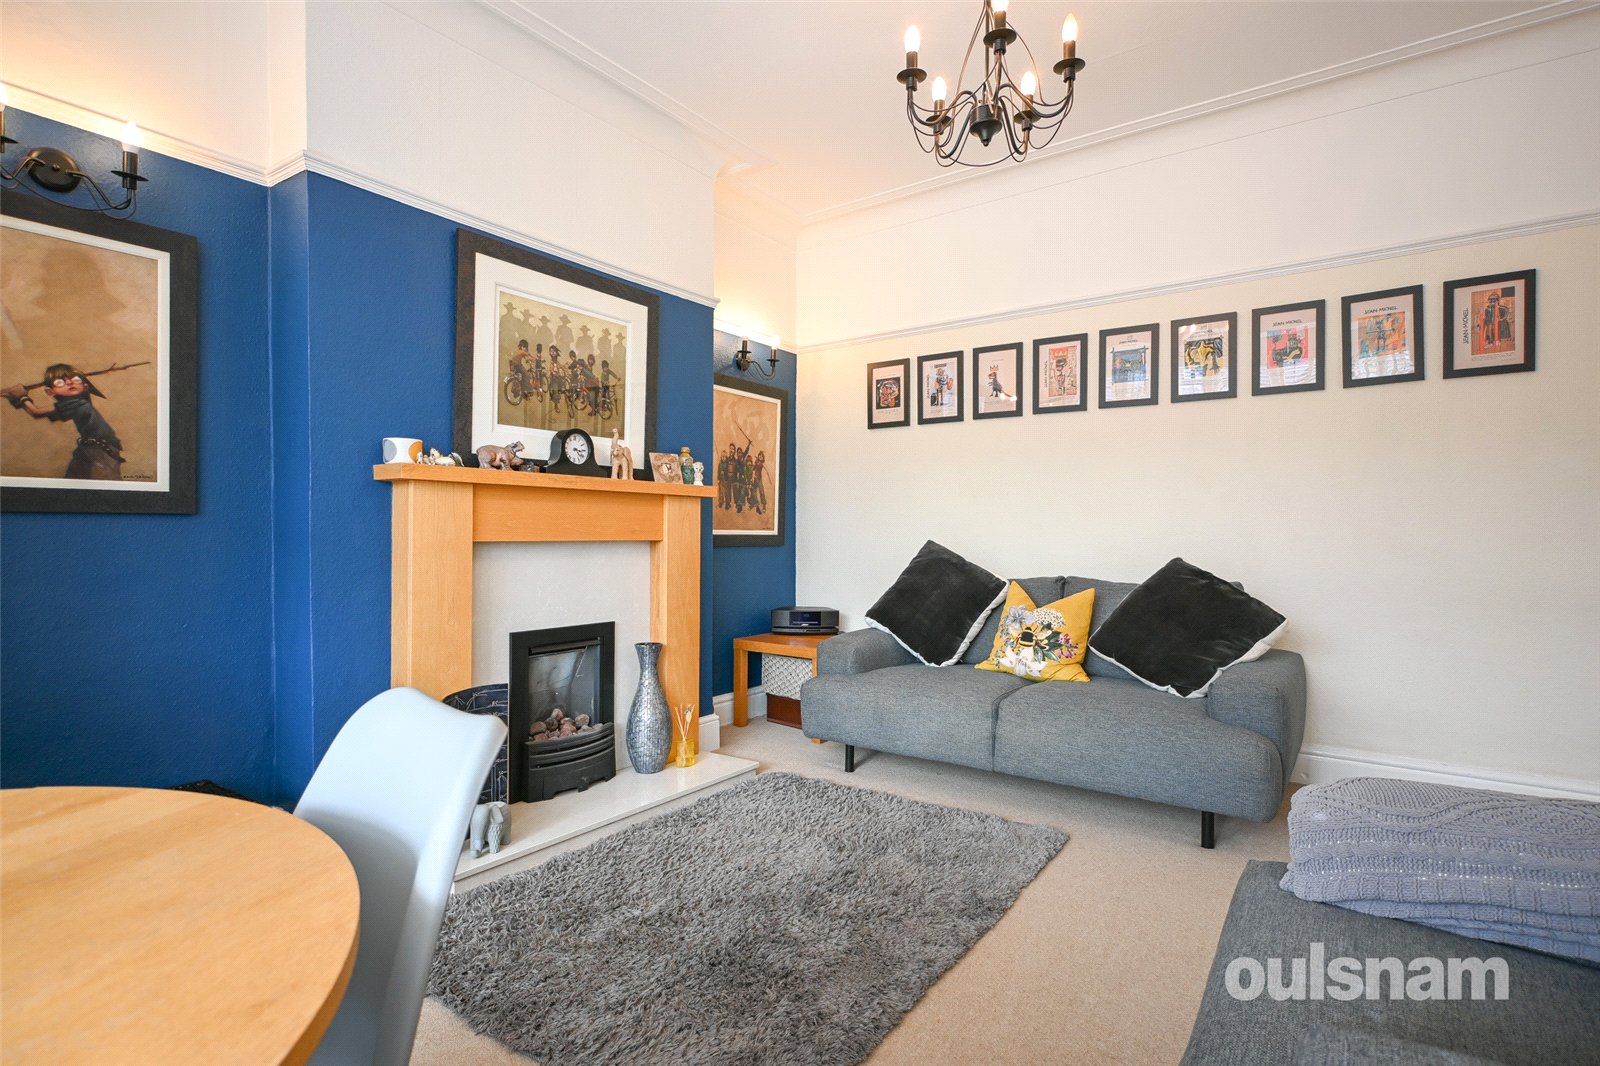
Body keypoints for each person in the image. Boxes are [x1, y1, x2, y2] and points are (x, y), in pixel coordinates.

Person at [3, 363, 125, 480]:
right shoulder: (76, 403)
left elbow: (36, 412)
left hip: (100, 449)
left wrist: (21, 396)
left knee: (103, 479)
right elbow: (36, 413)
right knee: (74, 478)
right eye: (60, 382)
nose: (69, 382)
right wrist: (16, 397)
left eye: (76, 380)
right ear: (50, 391)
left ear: (85, 386)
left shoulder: (79, 404)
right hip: (89, 447)